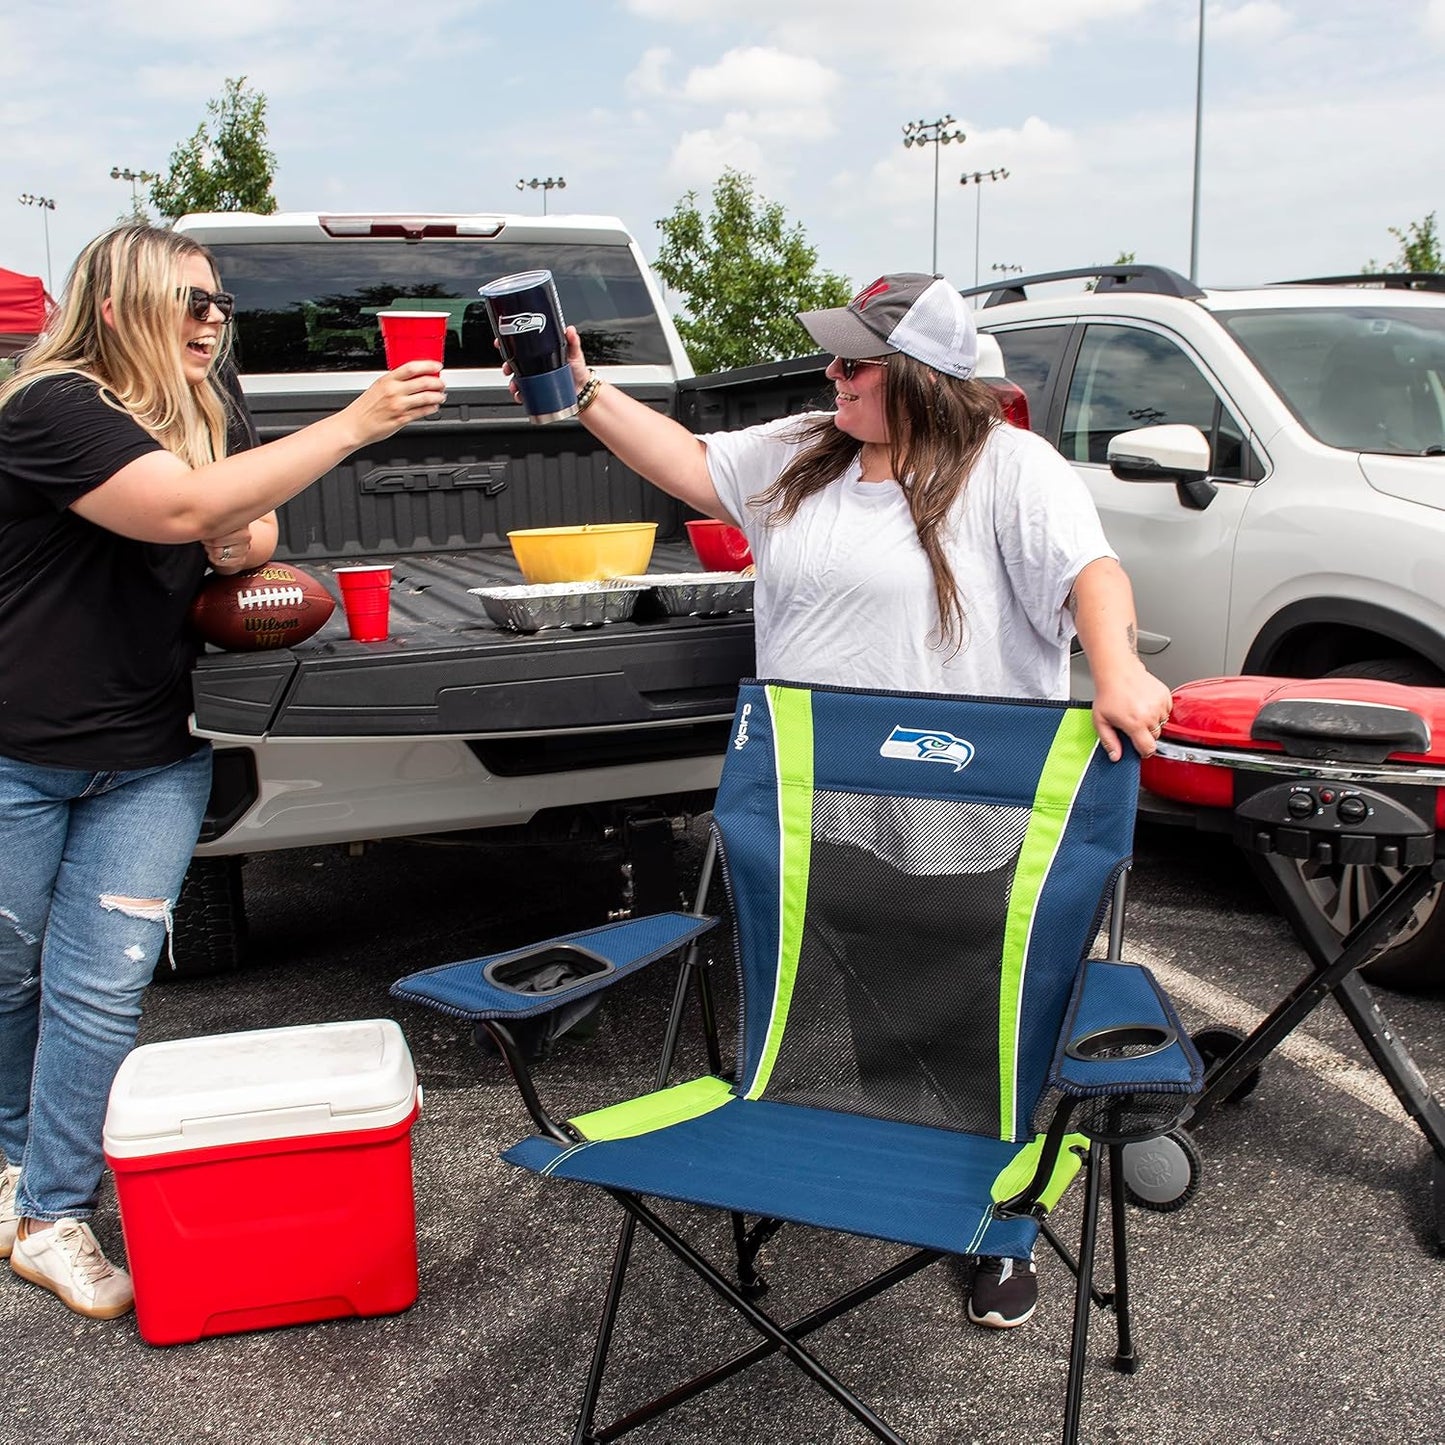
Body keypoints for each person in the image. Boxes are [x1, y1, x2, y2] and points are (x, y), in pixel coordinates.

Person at [511, 271, 1174, 1332]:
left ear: (921, 377)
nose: (832, 375)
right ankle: (894, 1175)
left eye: (855, 363)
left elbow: (1089, 575)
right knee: (874, 1018)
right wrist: (583, 390)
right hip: (822, 806)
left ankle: (987, 1223)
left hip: (971, 801)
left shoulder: (1008, 470)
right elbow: (690, 465)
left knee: (975, 1030)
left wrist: (1116, 670)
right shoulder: (805, 449)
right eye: (835, 358)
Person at [0, 223, 444, 1320]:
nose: (211, 321)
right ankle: (12, 1163)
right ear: (115, 310)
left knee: (102, 985)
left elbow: (247, 531)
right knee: (9, 978)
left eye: (218, 305)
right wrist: (353, 420)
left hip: (150, 754)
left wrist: (239, 532)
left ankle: (53, 1212)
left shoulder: (205, 405)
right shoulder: (52, 405)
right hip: (16, 752)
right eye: (188, 302)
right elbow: (187, 510)